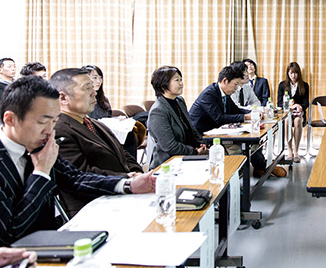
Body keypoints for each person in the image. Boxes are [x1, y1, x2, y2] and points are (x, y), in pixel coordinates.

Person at [0, 75, 155, 247]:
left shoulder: (39, 146)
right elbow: (10, 232)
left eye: (54, 122)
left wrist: (128, 185)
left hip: (49, 246)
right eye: (43, 122)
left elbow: (75, 178)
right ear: (10, 119)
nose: (49, 131)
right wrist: (41, 174)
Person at [49, 68, 144, 216]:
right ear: (63, 98)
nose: (94, 92)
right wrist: (126, 179)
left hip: (123, 194)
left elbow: (122, 152)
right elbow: (82, 174)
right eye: (87, 88)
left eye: (93, 87)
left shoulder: (93, 122)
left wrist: (137, 173)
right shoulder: (58, 129)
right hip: (93, 205)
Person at [189, 65, 286, 178]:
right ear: (225, 81)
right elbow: (219, 118)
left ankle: (261, 168)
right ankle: (243, 172)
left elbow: (236, 110)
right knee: (244, 142)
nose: (236, 88)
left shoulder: (225, 94)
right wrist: (246, 117)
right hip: (203, 134)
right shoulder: (209, 93)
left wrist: (252, 114)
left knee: (252, 140)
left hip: (217, 130)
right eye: (235, 84)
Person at [146, 66, 207, 169]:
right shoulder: (158, 111)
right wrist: (194, 152)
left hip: (189, 155)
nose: (181, 83)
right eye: (177, 80)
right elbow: (170, 146)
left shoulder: (179, 101)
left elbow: (190, 128)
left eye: (181, 80)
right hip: (169, 162)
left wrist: (201, 143)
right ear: (163, 85)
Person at [277, 62, 309, 162]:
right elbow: (279, 103)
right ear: (288, 73)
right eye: (291, 73)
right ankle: (289, 150)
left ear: (299, 74)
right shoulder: (282, 85)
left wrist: (299, 106)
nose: (293, 75)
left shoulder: (304, 85)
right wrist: (290, 106)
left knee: (297, 121)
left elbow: (306, 103)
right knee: (287, 121)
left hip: (299, 113)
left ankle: (296, 150)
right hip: (287, 112)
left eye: (295, 73)